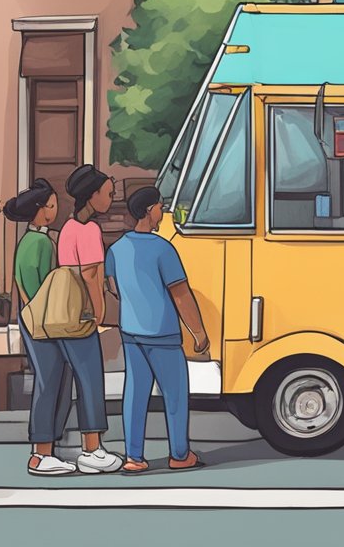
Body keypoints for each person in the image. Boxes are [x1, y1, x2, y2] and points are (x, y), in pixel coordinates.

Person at [106, 187, 210, 473]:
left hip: (131, 332)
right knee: (175, 395)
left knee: (135, 394)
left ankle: (134, 457)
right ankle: (179, 454)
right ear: (147, 211)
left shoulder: (116, 249)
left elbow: (112, 287)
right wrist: (198, 332)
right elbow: (180, 294)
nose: (161, 212)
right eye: (159, 207)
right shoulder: (163, 248)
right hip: (162, 333)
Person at [53, 165, 124, 473]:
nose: (110, 199)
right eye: (108, 194)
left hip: (63, 313)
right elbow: (91, 274)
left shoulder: (68, 228)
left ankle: (57, 448)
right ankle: (91, 449)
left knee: (68, 381)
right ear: (93, 196)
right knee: (91, 380)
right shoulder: (90, 230)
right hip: (83, 314)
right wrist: (99, 313)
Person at [5, 180, 76, 475]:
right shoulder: (42, 244)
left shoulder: (30, 241)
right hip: (44, 320)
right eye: (51, 205)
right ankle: (42, 452)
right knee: (51, 382)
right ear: (41, 210)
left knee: (52, 380)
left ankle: (45, 450)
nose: (56, 209)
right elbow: (46, 289)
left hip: (32, 318)